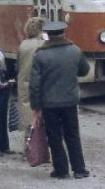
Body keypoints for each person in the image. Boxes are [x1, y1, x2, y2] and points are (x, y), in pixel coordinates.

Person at [30, 21, 91, 179]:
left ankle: (61, 170)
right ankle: (79, 169)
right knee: (73, 135)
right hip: (70, 101)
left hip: (49, 103)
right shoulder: (75, 50)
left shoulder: (40, 54)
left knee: (54, 137)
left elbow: (35, 83)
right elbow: (84, 71)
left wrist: (36, 106)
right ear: (63, 33)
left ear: (48, 35)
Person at [15, 16, 45, 148]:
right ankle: (44, 148)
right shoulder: (44, 44)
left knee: (29, 118)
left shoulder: (23, 45)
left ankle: (28, 147)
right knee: (44, 117)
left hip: (24, 84)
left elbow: (18, 65)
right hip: (41, 83)